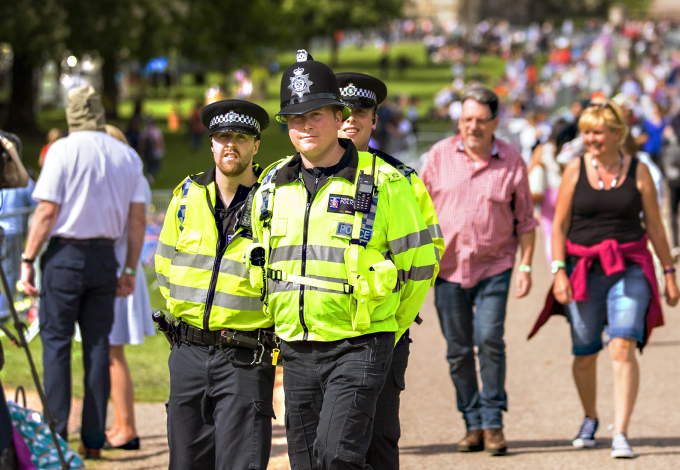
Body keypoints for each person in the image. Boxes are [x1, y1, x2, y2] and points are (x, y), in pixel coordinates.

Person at [252, 50, 435, 470]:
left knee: (338, 456)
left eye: (316, 114)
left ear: (338, 118)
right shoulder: (271, 186)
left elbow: (419, 266)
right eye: (296, 117)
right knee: (306, 462)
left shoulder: (387, 182)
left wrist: (387, 324)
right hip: (296, 347)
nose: (306, 125)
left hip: (359, 343)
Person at [530, 101, 679, 459]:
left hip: (629, 265)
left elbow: (656, 226)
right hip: (583, 267)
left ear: (616, 133)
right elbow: (559, 227)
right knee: (585, 352)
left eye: (597, 132)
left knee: (622, 344)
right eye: (586, 132)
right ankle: (589, 417)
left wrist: (669, 272)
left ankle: (622, 432)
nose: (590, 139)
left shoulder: (639, 170)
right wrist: (559, 271)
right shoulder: (573, 170)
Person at [19, 86, 147, 459]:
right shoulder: (126, 154)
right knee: (97, 348)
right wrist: (128, 268)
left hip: (66, 255)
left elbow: (46, 212)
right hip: (106, 257)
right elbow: (137, 220)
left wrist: (28, 259)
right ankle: (92, 439)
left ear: (72, 114)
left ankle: (56, 437)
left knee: (57, 346)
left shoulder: (62, 150)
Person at [155, 99, 278, 470]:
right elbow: (164, 264)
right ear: (210, 143)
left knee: (240, 463)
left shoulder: (274, 203)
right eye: (223, 136)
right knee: (186, 463)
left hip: (244, 358)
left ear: (255, 146)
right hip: (187, 352)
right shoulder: (186, 195)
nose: (231, 145)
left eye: (241, 137)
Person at [421, 86, 538, 456]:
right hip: (448, 269)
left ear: (494, 122)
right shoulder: (439, 156)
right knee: (457, 350)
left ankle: (493, 422)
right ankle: (472, 423)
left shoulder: (512, 160)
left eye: (479, 120)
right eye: (466, 119)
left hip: (495, 267)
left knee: (489, 340)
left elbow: (527, 222)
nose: (472, 126)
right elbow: (418, 211)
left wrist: (527, 267)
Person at [336, 71, 444, 470]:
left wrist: (394, 322)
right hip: (320, 333)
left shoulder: (403, 179)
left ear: (375, 120)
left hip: (384, 333)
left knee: (378, 439)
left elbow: (428, 253)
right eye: (342, 110)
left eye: (360, 111)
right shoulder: (298, 177)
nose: (350, 118)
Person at [102, 124, 155, 451]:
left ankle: (125, 426)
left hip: (118, 269)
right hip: (122, 267)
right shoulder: (134, 178)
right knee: (110, 352)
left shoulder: (122, 181)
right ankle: (121, 423)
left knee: (111, 353)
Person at [138, 116, 165, 184]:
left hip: (147, 152)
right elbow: (159, 141)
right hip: (155, 151)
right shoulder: (156, 131)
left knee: (149, 165)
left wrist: (141, 151)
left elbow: (141, 142)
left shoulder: (144, 131)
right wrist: (162, 149)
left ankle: (149, 175)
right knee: (156, 165)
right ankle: (150, 175)